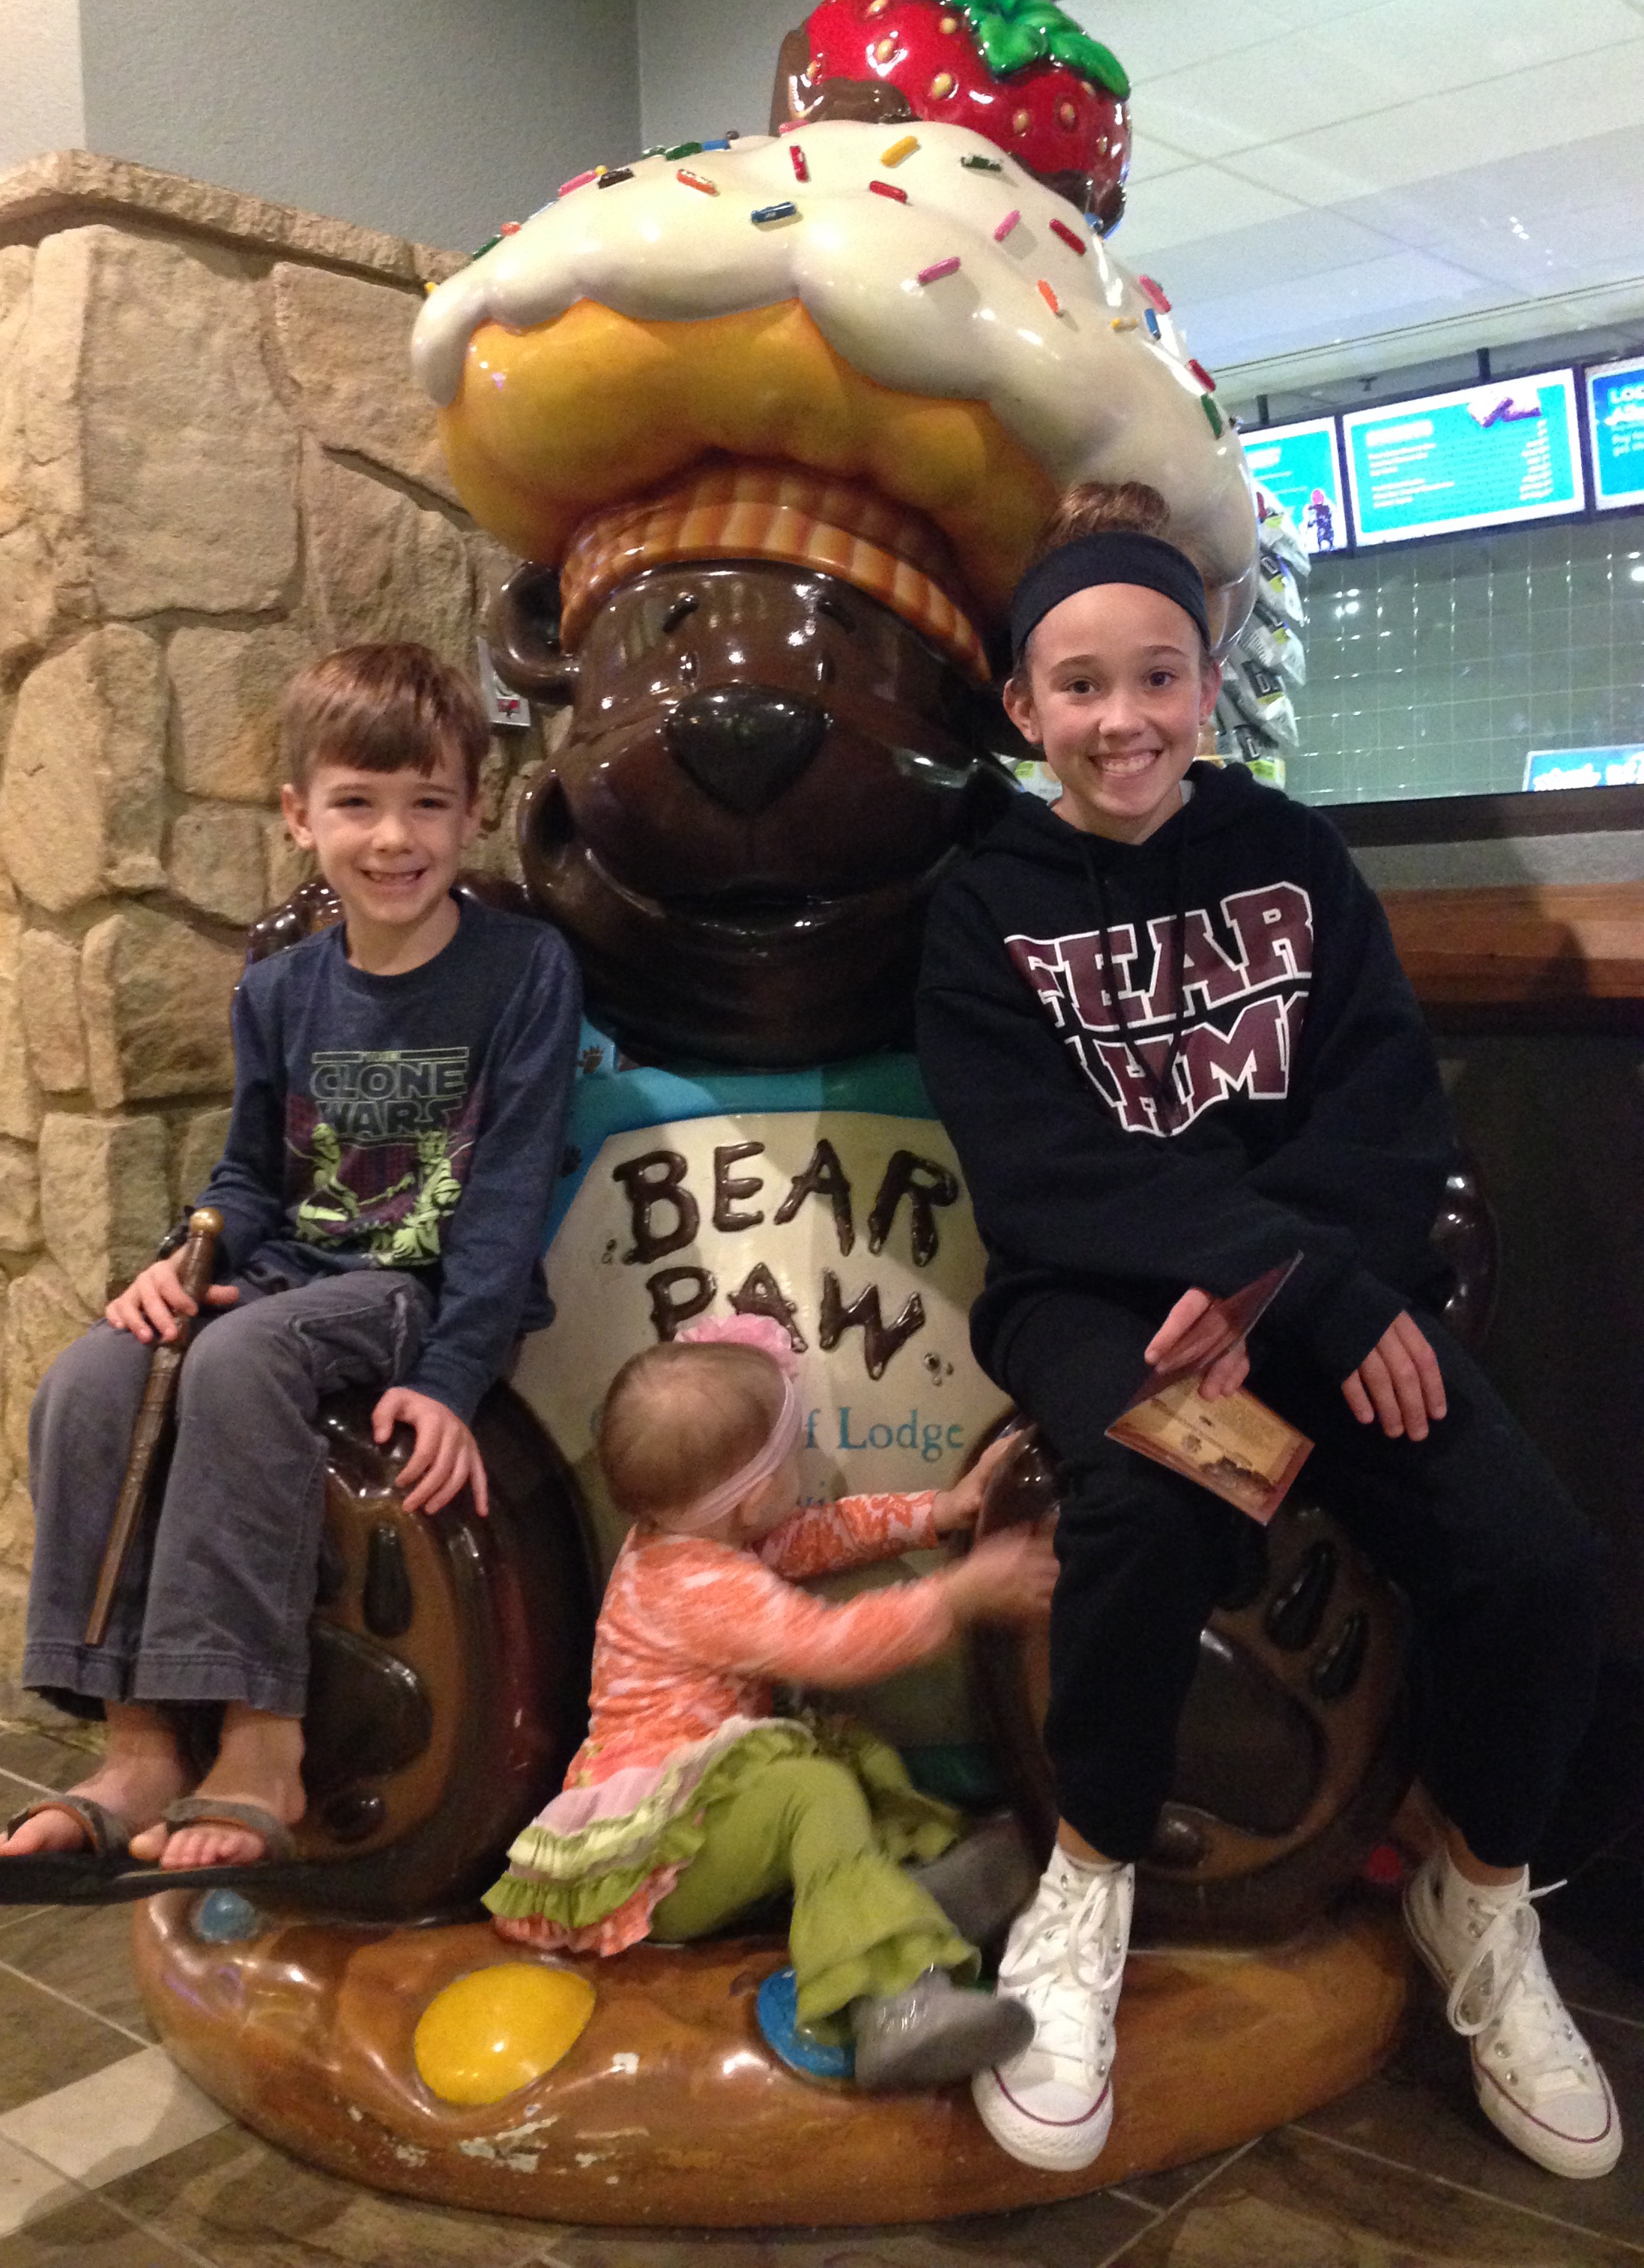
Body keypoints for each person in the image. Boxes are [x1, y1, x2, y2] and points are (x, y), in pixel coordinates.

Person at [915, 483, 1617, 2179]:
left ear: (1207, 682)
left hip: (1316, 1285)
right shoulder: (979, 903)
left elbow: (1380, 1109)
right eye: (1080, 684)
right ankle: (1086, 1879)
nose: (1122, 718)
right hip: (1099, 1298)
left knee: (1537, 1563)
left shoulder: (1293, 855)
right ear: (1021, 705)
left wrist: (1290, 1287)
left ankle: (1477, 1891)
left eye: (1156, 676)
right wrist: (1240, 1276)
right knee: (1154, 1499)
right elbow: (1039, 1168)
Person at [0, 640, 581, 1878]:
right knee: (95, 1375)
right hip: (294, 1275)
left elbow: (509, 1192)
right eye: (357, 803)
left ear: (474, 810)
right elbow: (250, 1177)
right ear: (301, 815)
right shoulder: (280, 990)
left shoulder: (523, 971)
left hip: (414, 1291)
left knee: (242, 1356)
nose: (393, 837)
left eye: (427, 802)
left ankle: (262, 1739)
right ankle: (139, 1743)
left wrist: (456, 1376)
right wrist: (179, 1263)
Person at [483, 1313, 1060, 2089]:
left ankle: (904, 1902)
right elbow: (833, 1644)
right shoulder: (699, 1587)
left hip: (695, 1821)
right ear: (753, 1501)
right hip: (662, 1868)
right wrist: (958, 1596)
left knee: (848, 1761)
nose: (802, 1474)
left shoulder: (690, 1539)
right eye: (792, 1461)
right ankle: (893, 2004)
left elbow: (822, 1534)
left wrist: (941, 1510)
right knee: (811, 1789)